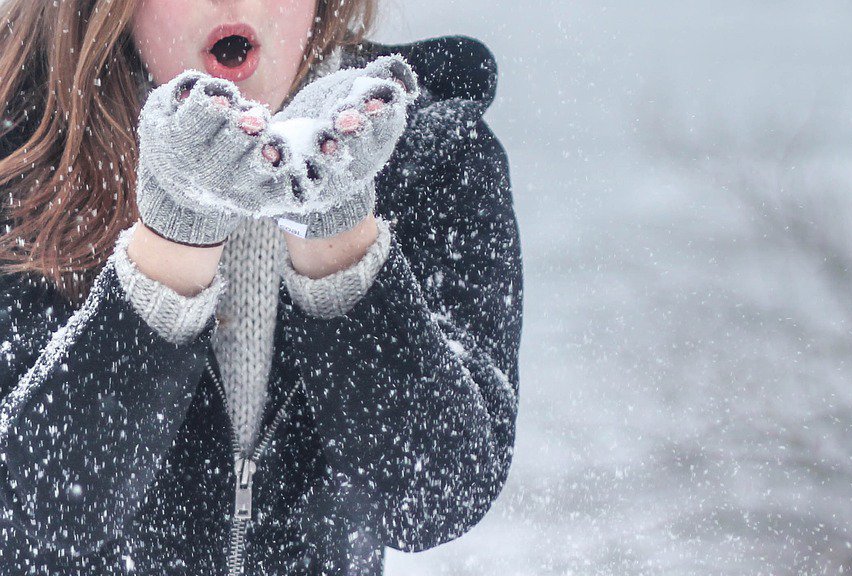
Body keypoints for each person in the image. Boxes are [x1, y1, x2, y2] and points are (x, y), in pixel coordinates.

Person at [0, 0, 522, 574]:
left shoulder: (428, 152)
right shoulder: (20, 163)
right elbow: (26, 519)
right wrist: (172, 244)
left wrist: (340, 232)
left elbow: (439, 497)